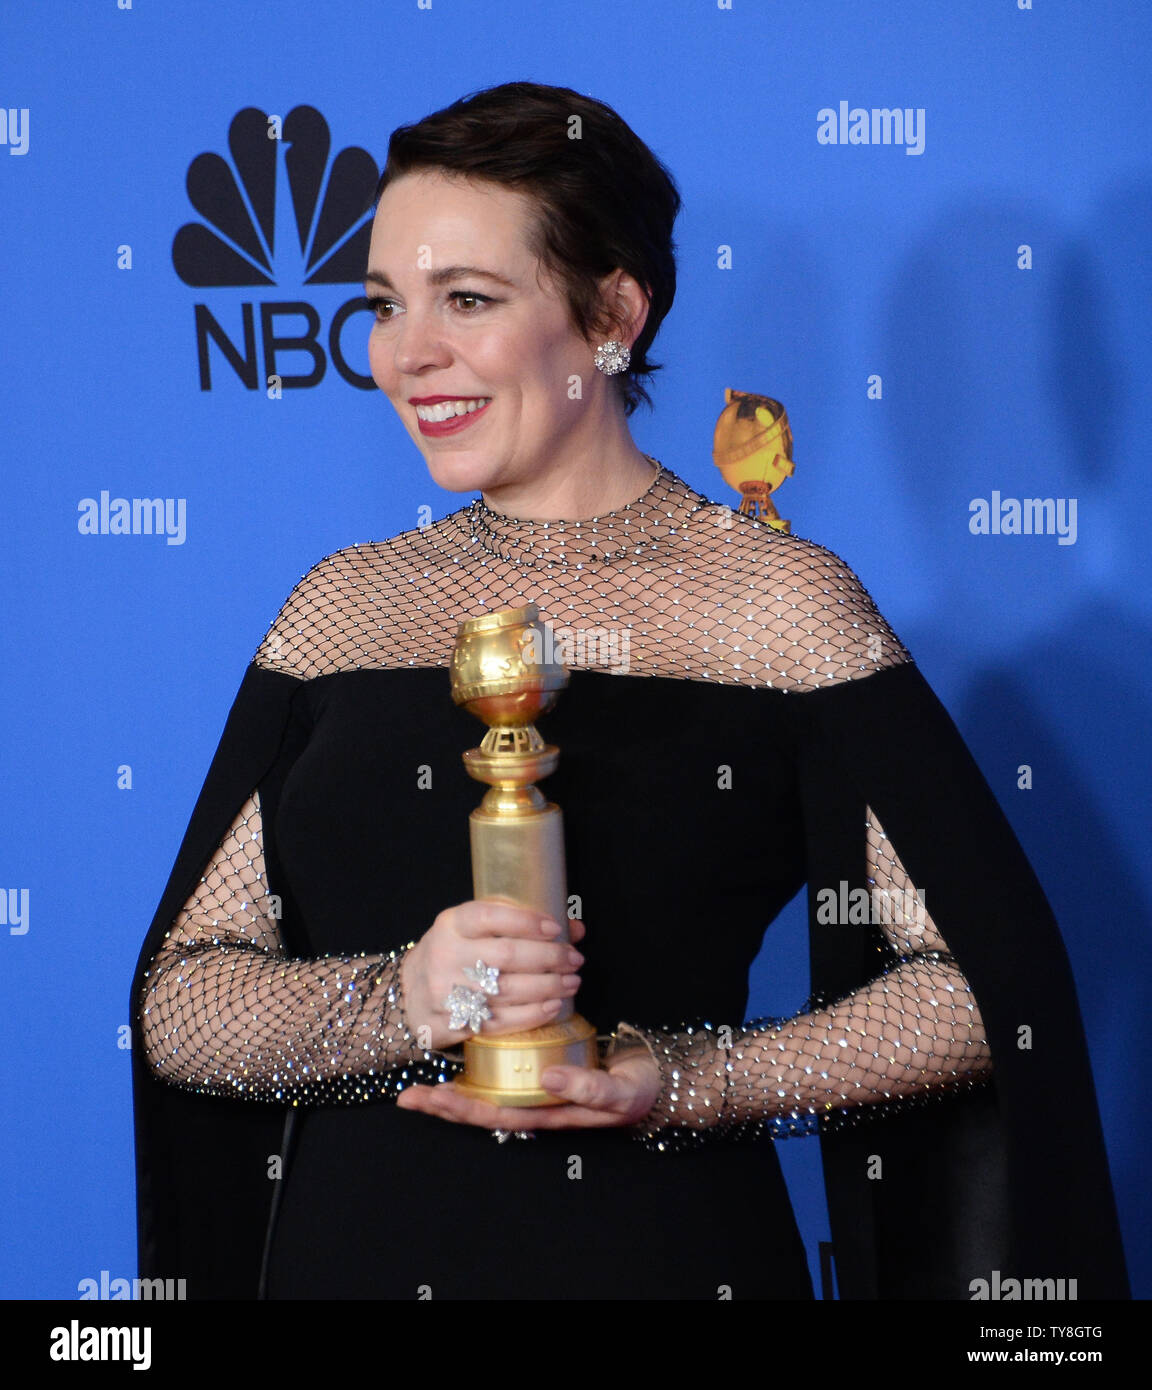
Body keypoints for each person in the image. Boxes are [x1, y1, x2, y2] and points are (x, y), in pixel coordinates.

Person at [130, 81, 1129, 1301]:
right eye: (386, 304)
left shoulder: (781, 605)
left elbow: (979, 990)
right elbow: (180, 998)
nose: (409, 354)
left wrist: (686, 1078)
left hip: (665, 1257)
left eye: (469, 300)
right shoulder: (341, 607)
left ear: (611, 311)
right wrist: (402, 995)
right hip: (354, 1261)